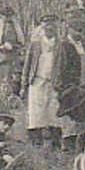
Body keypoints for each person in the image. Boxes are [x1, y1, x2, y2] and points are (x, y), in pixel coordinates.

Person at [22, 14, 64, 147]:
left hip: (54, 83)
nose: (49, 28)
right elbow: (27, 65)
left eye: (52, 25)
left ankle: (55, 142)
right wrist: (24, 84)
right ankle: (36, 142)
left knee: (54, 111)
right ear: (42, 27)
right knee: (36, 112)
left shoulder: (61, 45)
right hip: (37, 81)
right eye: (46, 25)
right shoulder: (35, 45)